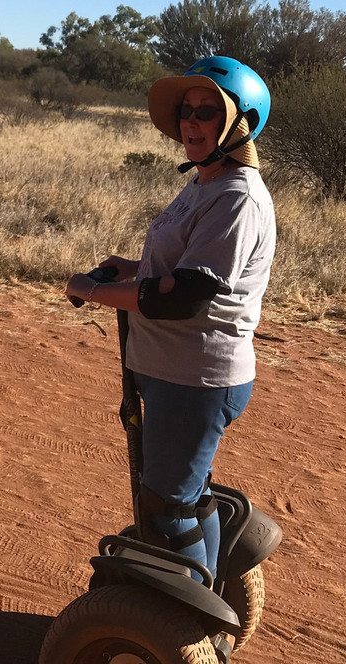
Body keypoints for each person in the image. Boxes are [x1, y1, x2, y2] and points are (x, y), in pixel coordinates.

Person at [64, 56, 276, 580]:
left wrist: (93, 290)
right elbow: (184, 267)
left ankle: (185, 634)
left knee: (167, 504)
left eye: (207, 111)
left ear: (239, 122)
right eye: (186, 110)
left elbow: (185, 295)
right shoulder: (206, 183)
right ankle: (202, 609)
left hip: (195, 376)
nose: (191, 122)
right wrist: (131, 269)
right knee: (185, 492)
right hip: (173, 369)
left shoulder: (238, 196)